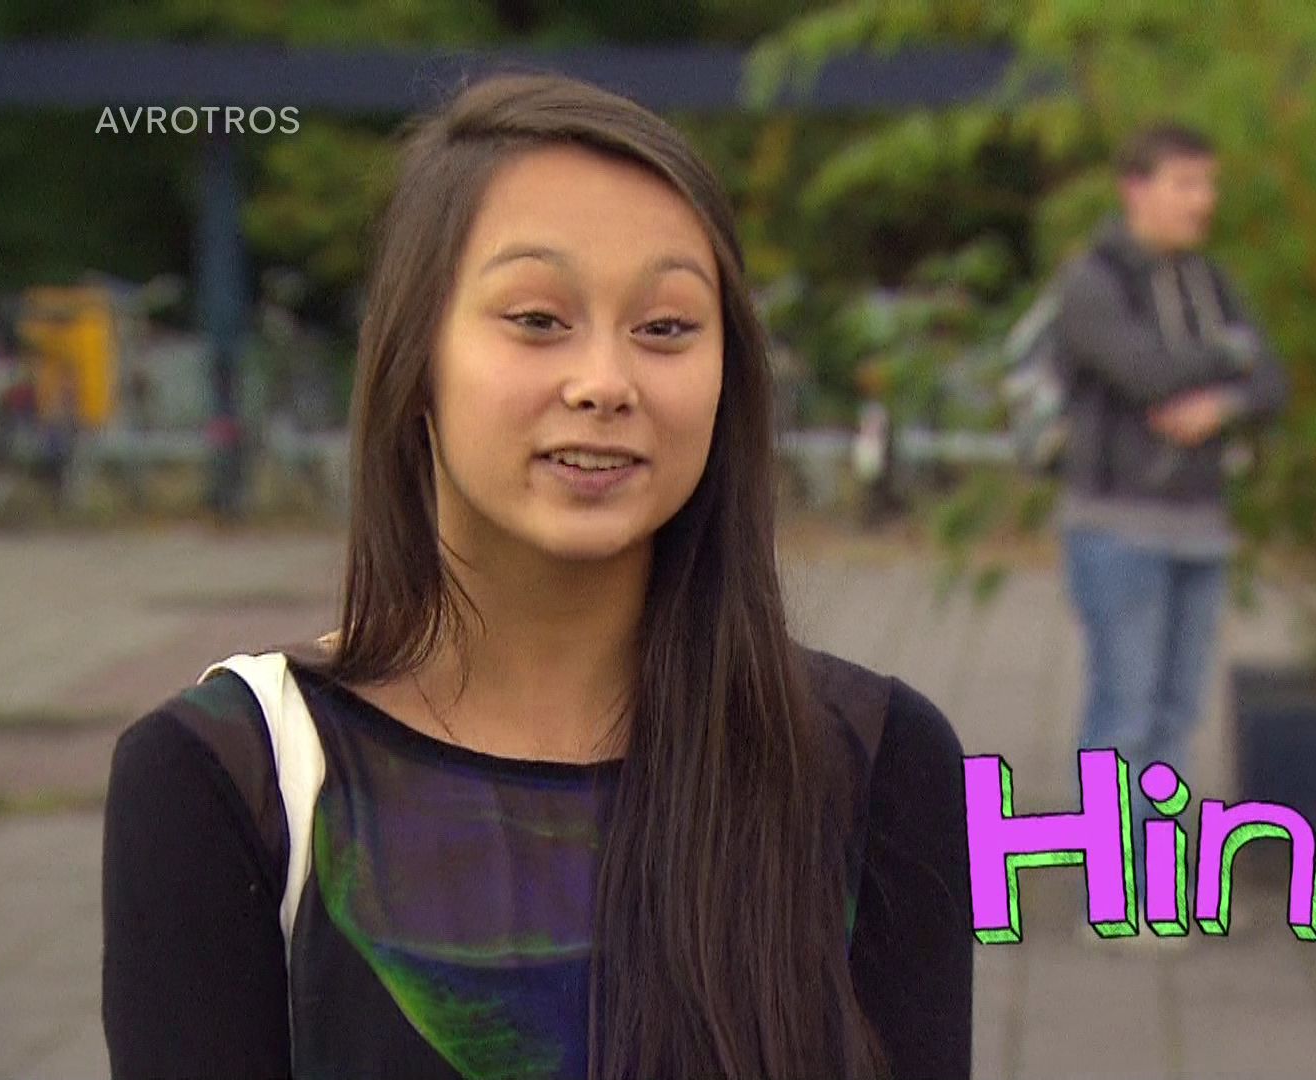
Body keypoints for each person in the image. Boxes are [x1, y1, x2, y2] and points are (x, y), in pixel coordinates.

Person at [102, 74, 973, 1079]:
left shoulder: (876, 765)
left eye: (665, 327)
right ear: (414, 358)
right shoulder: (231, 778)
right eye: (537, 318)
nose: (604, 382)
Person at [1051, 123, 1287, 936]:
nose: (1202, 201)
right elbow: (1143, 372)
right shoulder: (1092, 282)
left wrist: (1223, 400)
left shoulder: (1210, 281)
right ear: (1135, 188)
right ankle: (1114, 898)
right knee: (1124, 712)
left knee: (1178, 715)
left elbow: (1274, 381)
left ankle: (1163, 886)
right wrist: (1231, 362)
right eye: (1185, 184)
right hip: (1118, 527)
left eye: (1207, 184)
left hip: (1202, 525)